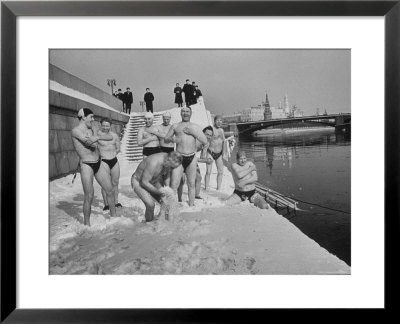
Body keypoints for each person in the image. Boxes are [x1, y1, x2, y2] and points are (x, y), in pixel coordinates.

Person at [71, 108, 117, 226]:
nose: (93, 119)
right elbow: (88, 143)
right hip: (86, 165)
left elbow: (109, 137)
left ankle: (114, 217)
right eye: (91, 117)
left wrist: (96, 137)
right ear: (83, 117)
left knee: (110, 190)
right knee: (89, 195)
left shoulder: (92, 128)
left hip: (98, 162)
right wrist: (96, 138)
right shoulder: (76, 131)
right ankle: (87, 224)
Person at [164, 106, 208, 206]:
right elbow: (166, 138)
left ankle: (191, 205)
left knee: (191, 183)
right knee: (174, 184)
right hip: (178, 158)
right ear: (181, 113)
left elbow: (205, 141)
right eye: (183, 111)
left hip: (191, 157)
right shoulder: (175, 126)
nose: (185, 113)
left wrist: (193, 133)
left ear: (191, 113)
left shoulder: (195, 127)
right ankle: (170, 207)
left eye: (187, 111)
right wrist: (173, 140)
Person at [131, 151, 183, 222]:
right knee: (150, 205)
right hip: (138, 182)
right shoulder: (154, 163)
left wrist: (167, 190)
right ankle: (148, 224)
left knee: (167, 203)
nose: (171, 169)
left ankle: (162, 222)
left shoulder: (168, 159)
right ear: (169, 160)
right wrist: (158, 192)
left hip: (153, 181)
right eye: (171, 167)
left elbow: (167, 175)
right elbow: (144, 182)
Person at [177, 126, 213, 202]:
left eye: (210, 135)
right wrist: (206, 161)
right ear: (202, 134)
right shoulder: (196, 141)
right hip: (182, 157)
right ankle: (179, 199)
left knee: (198, 178)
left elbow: (202, 157)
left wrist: (207, 159)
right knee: (181, 180)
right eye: (207, 134)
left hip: (192, 159)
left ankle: (196, 195)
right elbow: (193, 157)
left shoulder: (206, 143)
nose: (208, 137)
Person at [97, 118, 122, 211]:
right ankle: (106, 204)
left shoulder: (114, 135)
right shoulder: (97, 135)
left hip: (114, 160)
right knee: (105, 184)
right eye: (103, 125)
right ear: (100, 125)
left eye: (107, 125)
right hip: (103, 161)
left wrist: (114, 152)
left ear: (110, 126)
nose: (105, 127)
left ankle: (116, 202)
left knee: (115, 182)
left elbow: (118, 148)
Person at [205, 115, 225, 191]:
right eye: (218, 120)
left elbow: (224, 141)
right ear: (214, 121)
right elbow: (205, 139)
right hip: (210, 152)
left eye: (221, 120)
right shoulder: (210, 129)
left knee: (220, 171)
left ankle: (218, 187)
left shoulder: (222, 130)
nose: (219, 122)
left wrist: (224, 152)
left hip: (219, 153)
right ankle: (206, 187)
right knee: (208, 171)